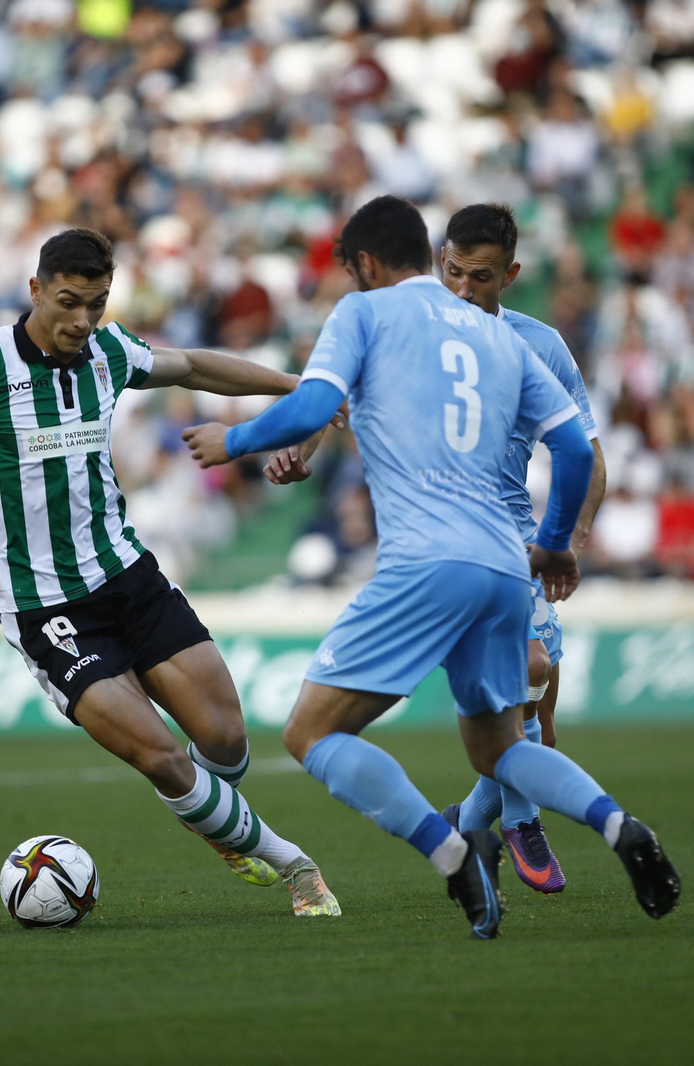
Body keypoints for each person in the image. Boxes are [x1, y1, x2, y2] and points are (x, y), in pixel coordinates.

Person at [183, 197, 678, 938]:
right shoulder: (503, 338)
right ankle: (620, 828)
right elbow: (576, 450)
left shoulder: (365, 313)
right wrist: (555, 543)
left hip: (425, 561)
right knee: (502, 744)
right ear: (432, 255)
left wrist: (237, 438)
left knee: (311, 735)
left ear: (367, 264)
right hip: (506, 566)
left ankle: (453, 857)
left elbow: (316, 398)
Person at [0, 228, 340, 918]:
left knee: (227, 739)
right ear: (35, 291)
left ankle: (212, 817)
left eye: (97, 303)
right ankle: (294, 867)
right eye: (69, 302)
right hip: (46, 606)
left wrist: (299, 388)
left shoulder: (108, 351)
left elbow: (194, 367)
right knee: (163, 757)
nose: (82, 320)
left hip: (128, 575)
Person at [264, 202, 609, 897]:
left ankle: (484, 820)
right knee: (526, 682)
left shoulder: (534, 345)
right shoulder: (405, 321)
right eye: (452, 270)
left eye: (481, 278)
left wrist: (566, 540)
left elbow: (586, 452)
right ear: (437, 259)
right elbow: (334, 394)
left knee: (534, 714)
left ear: (509, 276)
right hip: (432, 541)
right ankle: (516, 818)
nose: (462, 289)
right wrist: (300, 448)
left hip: (512, 542)